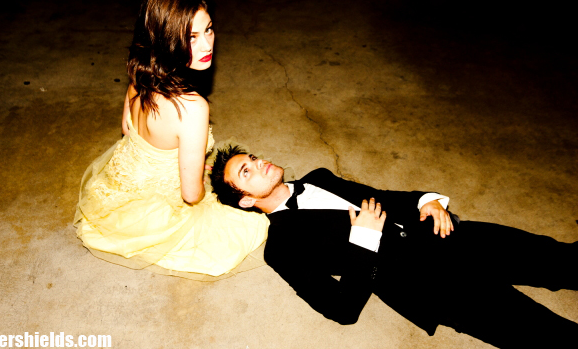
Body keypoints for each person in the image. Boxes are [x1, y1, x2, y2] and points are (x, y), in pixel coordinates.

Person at [210, 145, 578, 348]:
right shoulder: (281, 249)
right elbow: (341, 309)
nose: (259, 163)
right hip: (430, 285)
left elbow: (380, 196)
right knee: (543, 332)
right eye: (247, 172)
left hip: (444, 234)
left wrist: (425, 201)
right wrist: (364, 240)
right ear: (246, 200)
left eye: (252, 158)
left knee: (556, 257)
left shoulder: (318, 176)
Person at [74, 0, 268, 280]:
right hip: (151, 208)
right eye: (191, 37)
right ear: (166, 40)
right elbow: (190, 195)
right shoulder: (192, 107)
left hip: (116, 187)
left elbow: (127, 127)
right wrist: (202, 184)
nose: (207, 45)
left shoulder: (140, 73)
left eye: (208, 30)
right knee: (250, 223)